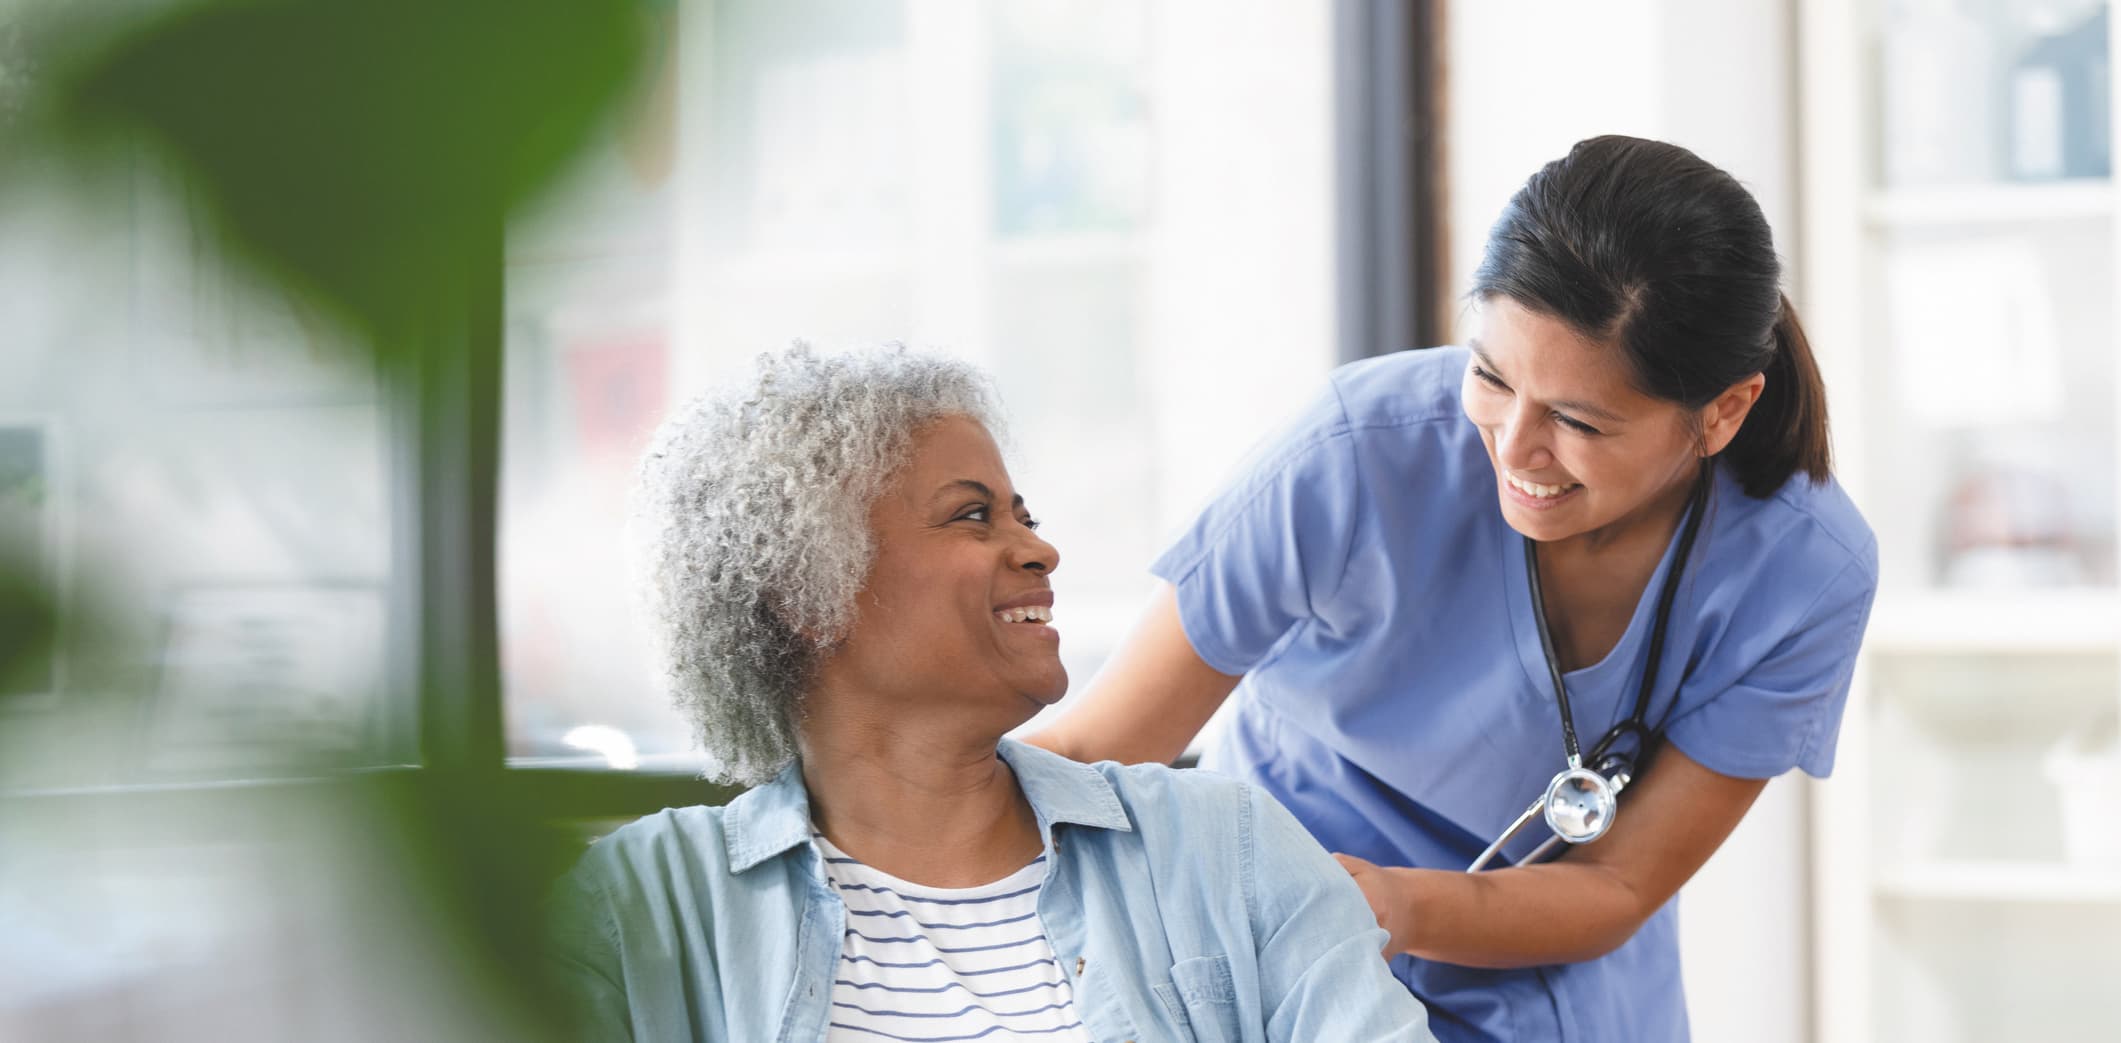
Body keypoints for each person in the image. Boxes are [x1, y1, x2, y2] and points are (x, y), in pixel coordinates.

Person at [1029, 135, 1879, 1042]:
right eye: (1488, 376)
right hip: (1274, 966)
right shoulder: (1358, 453)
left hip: (1557, 985)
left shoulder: (1803, 571)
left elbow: (1617, 883)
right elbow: (1094, 751)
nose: (1512, 448)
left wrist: (1383, 901)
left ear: (1724, 410)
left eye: (1578, 420)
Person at [545, 345, 1435, 1042]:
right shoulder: (633, 910)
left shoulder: (1230, 851)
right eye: (973, 514)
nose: (1037, 550)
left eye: (1025, 515)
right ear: (809, 594)